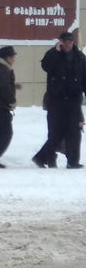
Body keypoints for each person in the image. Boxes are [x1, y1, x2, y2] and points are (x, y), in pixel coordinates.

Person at [32, 31, 86, 169]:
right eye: (65, 42)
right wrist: (55, 51)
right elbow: (45, 66)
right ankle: (49, 159)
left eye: (70, 42)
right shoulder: (53, 55)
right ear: (60, 42)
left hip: (73, 100)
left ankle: (73, 161)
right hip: (56, 100)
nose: (67, 45)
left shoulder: (80, 58)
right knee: (55, 132)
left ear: (73, 42)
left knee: (74, 132)